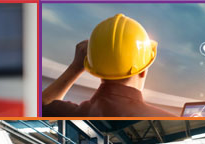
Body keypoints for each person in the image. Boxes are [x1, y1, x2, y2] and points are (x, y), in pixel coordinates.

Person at [42, 14, 174, 117]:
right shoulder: (163, 116)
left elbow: (41, 106)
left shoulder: (73, 114)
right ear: (143, 70)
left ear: (92, 66)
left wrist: (74, 68)